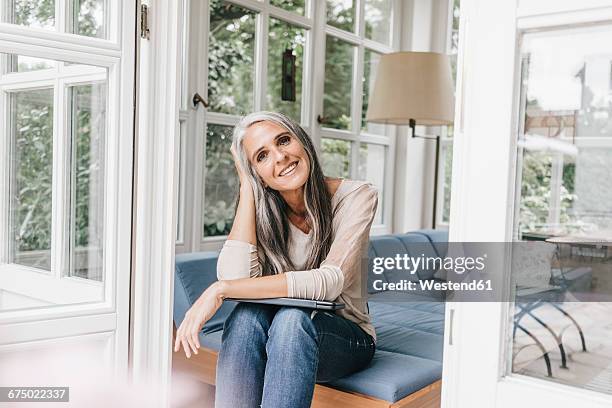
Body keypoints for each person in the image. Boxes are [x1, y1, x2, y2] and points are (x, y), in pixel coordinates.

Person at [174, 111, 378, 408]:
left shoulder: (358, 196)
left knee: (292, 320)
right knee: (245, 317)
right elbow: (235, 274)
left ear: (303, 142)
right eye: (261, 156)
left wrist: (220, 290)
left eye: (284, 140)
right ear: (258, 175)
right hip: (278, 332)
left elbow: (329, 281)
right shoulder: (264, 207)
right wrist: (247, 187)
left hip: (346, 338)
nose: (280, 157)